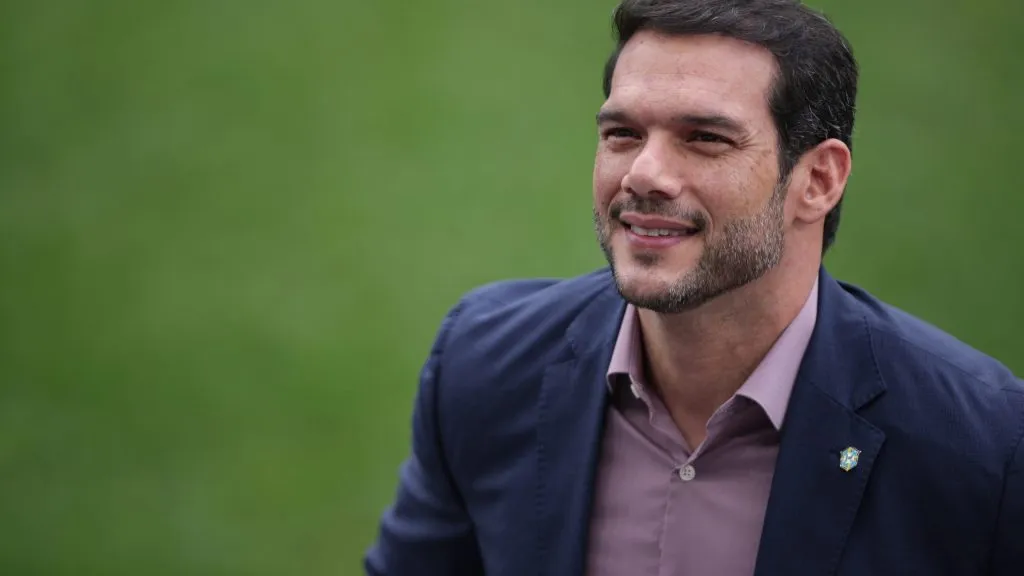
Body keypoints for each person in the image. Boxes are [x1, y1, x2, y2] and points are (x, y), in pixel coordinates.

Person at [364, 0, 1024, 574]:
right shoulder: (484, 365)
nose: (644, 174)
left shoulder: (982, 448)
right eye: (622, 133)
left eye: (704, 138)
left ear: (818, 180)